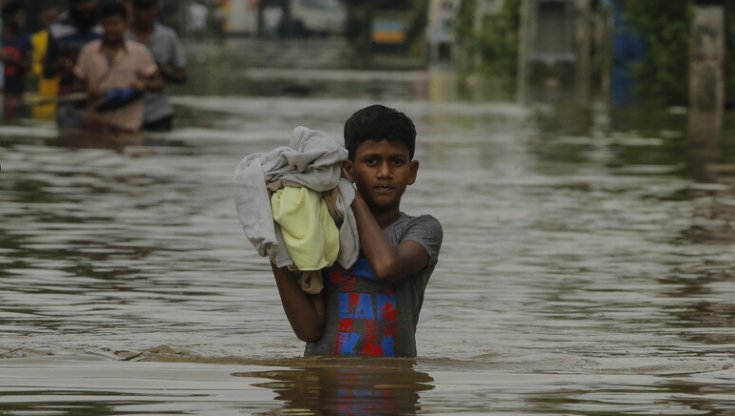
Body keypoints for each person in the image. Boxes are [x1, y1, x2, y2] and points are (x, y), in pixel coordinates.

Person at [270, 104, 443, 357]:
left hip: (392, 390)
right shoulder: (324, 227)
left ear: (412, 171)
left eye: (396, 162)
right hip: (326, 387)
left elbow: (387, 267)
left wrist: (351, 195)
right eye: (371, 162)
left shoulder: (422, 229)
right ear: (349, 168)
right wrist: (275, 244)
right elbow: (309, 330)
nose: (384, 173)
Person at [74, 0, 161, 134]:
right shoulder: (88, 51)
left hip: (129, 129)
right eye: (106, 24)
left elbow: (158, 83)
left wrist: (143, 85)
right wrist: (90, 90)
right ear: (101, 25)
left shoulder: (140, 52)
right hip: (96, 128)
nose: (111, 29)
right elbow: (77, 85)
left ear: (126, 24)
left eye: (116, 23)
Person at [127, 0, 187, 132]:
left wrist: (161, 70)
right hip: (124, 113)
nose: (144, 13)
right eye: (140, 8)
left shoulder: (168, 37)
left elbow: (182, 76)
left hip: (158, 113)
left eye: (148, 8)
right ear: (132, 8)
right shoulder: (120, 35)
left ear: (156, 10)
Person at [43, 0, 101, 129]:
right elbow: (46, 72)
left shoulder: (106, 27)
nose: (86, 6)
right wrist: (62, 64)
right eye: (81, 3)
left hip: (100, 102)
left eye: (89, 2)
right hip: (68, 102)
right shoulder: (57, 30)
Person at [1, 0, 33, 118]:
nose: (22, 20)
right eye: (18, 16)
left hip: (18, 92)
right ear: (8, 17)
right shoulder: (1, 38)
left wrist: (9, 60)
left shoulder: (25, 39)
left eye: (23, 17)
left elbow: (29, 66)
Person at [31, 2, 61, 119]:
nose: (51, 21)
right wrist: (44, 67)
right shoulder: (36, 39)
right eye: (48, 18)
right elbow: (34, 65)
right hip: (45, 90)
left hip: (63, 87)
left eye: (53, 18)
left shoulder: (63, 36)